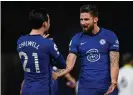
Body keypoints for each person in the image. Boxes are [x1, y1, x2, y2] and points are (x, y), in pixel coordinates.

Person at [54, 4, 120, 95]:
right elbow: (68, 66)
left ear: (95, 19)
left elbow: (114, 63)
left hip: (107, 88)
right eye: (81, 19)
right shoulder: (76, 39)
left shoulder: (110, 36)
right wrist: (54, 74)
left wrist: (114, 81)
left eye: (86, 19)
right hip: (85, 89)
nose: (83, 23)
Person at [17, 8, 66, 95]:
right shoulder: (48, 43)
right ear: (45, 24)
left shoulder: (20, 40)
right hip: (42, 91)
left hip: (26, 90)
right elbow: (62, 64)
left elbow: (33, 54)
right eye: (49, 21)